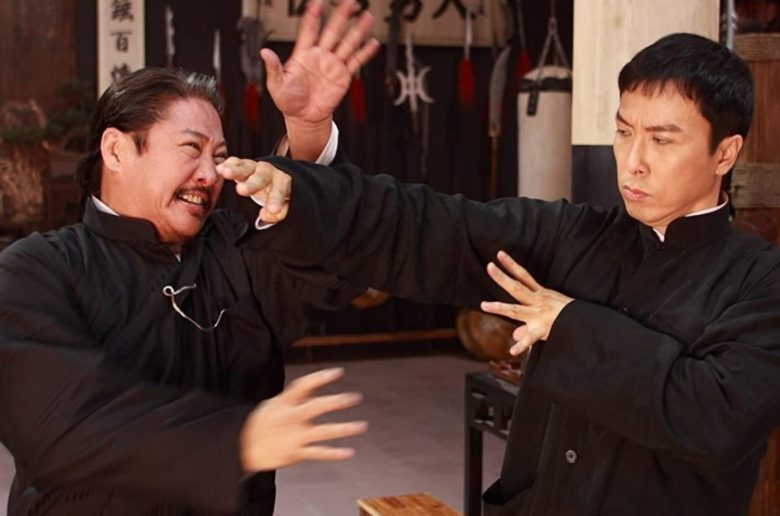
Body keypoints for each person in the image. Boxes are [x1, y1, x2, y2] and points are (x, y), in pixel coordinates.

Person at [218, 33, 780, 515]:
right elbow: (434, 226)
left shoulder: (759, 280)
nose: (633, 161)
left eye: (661, 140)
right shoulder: (575, 236)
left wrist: (570, 324)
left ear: (724, 153)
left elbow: (718, 418)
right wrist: (305, 193)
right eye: (624, 131)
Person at [0, 1, 379, 514]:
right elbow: (62, 427)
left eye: (219, 156)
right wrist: (240, 441)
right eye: (190, 148)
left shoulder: (236, 245)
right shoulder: (35, 270)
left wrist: (308, 131)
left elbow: (328, 271)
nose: (210, 173)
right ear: (117, 150)